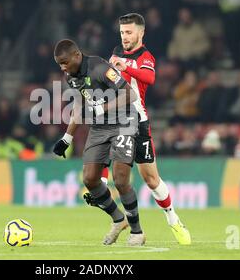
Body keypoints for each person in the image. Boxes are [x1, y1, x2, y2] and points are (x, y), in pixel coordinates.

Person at [80, 13, 191, 245]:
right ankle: (131, 228)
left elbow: (150, 78)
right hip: (118, 120)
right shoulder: (115, 53)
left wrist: (126, 68)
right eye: (122, 32)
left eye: (129, 32)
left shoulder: (145, 56)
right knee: (110, 168)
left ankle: (173, 219)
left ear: (141, 33)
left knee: (151, 179)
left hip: (138, 123)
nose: (125, 36)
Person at [52, 39, 146, 246]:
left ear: (77, 55)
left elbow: (130, 94)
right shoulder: (71, 77)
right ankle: (118, 220)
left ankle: (137, 232)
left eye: (65, 62)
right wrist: (66, 138)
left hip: (124, 122)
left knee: (120, 179)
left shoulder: (100, 68)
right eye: (59, 64)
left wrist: (102, 108)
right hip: (99, 127)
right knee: (90, 179)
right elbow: (79, 107)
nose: (63, 67)